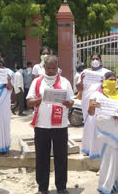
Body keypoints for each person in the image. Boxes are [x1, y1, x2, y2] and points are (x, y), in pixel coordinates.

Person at [27, 55, 74, 194]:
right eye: (48, 68)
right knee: (42, 158)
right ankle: (42, 188)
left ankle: (61, 187)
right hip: (41, 126)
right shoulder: (37, 82)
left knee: (61, 157)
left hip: (60, 126)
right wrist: (39, 100)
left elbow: (71, 100)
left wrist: (68, 103)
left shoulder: (65, 82)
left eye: (54, 68)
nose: (51, 70)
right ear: (44, 67)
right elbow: (29, 101)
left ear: (57, 67)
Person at [88, 71, 118, 194]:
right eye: (109, 80)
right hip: (105, 131)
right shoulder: (96, 94)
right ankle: (106, 185)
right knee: (107, 157)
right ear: (104, 81)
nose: (112, 82)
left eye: (114, 80)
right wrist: (92, 106)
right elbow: (90, 112)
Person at [76, 54, 110, 158]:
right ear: (90, 61)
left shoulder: (106, 72)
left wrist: (104, 83)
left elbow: (111, 88)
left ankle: (99, 149)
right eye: (93, 59)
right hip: (87, 101)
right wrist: (81, 80)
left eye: (97, 59)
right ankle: (87, 148)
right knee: (88, 124)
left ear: (100, 60)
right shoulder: (85, 72)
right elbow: (79, 88)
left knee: (98, 124)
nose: (95, 60)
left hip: (100, 102)